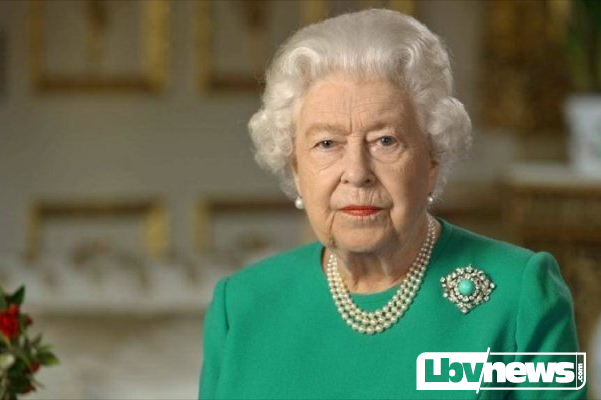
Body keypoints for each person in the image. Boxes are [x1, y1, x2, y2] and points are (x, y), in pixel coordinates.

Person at [199, 9, 585, 399]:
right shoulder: (241, 305)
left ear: (432, 158)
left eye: (385, 141)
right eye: (327, 143)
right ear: (296, 169)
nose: (357, 172)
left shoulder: (521, 294)